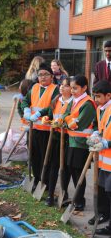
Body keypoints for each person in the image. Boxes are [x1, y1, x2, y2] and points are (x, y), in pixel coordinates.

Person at [21, 63, 59, 192]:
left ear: (51, 77)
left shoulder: (55, 89)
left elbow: (53, 107)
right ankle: (36, 179)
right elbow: (25, 100)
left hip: (47, 131)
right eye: (40, 75)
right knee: (33, 156)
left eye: (46, 75)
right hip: (33, 129)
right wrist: (26, 110)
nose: (42, 77)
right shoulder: (35, 87)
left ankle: (45, 182)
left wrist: (39, 113)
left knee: (45, 158)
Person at [61, 75, 96, 211]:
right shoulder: (75, 101)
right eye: (72, 88)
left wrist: (68, 121)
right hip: (72, 141)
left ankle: (80, 201)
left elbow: (78, 124)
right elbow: (65, 116)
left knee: (78, 172)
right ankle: (76, 198)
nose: (72, 91)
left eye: (75, 88)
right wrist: (68, 120)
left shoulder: (87, 103)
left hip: (81, 143)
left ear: (85, 88)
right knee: (71, 169)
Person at [41, 77, 73, 206]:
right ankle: (50, 195)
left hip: (66, 139)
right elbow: (50, 113)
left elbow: (72, 119)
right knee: (53, 166)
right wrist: (46, 118)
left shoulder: (73, 103)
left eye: (65, 86)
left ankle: (64, 195)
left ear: (71, 89)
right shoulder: (56, 100)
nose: (61, 87)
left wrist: (63, 123)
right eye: (61, 85)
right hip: (55, 138)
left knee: (64, 169)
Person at [87, 80, 111, 238]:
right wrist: (96, 133)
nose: (96, 99)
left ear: (108, 96)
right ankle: (109, 226)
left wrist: (107, 143)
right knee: (106, 196)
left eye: (98, 96)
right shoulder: (101, 109)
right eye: (94, 96)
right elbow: (101, 128)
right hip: (104, 162)